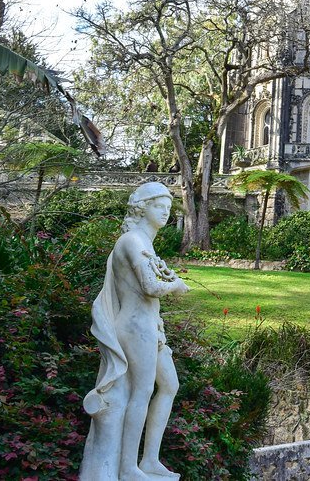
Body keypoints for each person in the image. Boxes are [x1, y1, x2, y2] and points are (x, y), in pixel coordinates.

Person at [80, 182, 190, 481]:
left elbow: (151, 284)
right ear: (142, 207)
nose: (166, 211)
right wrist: (176, 285)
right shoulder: (131, 240)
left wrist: (167, 277)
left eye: (168, 206)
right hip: (134, 326)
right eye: (159, 205)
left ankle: (150, 459)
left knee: (169, 385)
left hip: (151, 327)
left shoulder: (144, 241)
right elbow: (150, 287)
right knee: (140, 392)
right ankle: (129, 467)